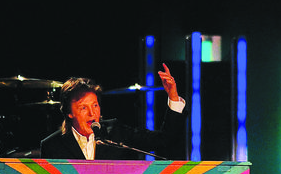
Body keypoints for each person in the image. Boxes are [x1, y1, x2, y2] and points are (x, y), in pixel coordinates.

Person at [40, 63, 186, 160]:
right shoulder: (52, 145)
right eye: (83, 108)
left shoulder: (115, 132)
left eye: (95, 106)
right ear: (69, 112)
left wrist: (173, 96)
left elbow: (164, 140)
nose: (92, 113)